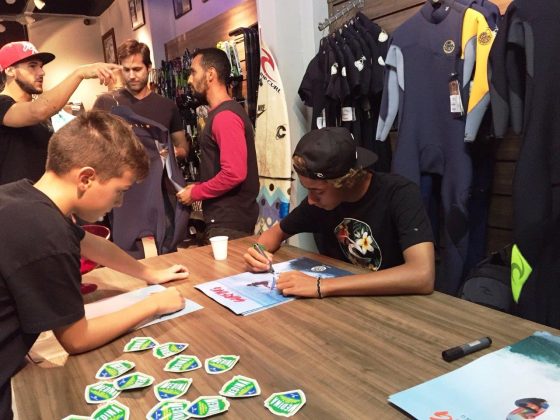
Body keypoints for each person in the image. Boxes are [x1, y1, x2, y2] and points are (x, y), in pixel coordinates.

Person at [0, 111, 190, 419]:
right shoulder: (45, 232)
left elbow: (89, 243)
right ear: (86, 177)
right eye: (119, 192)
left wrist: (149, 273)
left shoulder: (21, 196)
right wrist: (154, 304)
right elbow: (76, 338)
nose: (119, 204)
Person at [244, 127, 435, 298]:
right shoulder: (318, 205)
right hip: (344, 308)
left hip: (399, 308)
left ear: (346, 181)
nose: (310, 200)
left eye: (317, 191)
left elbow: (422, 275)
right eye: (307, 190)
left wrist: (322, 286)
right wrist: (258, 253)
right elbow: (275, 234)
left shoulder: (399, 194)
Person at [0, 41, 120, 185]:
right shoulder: (3, 104)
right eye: (32, 66)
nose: (41, 72)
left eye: (41, 66)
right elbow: (39, 110)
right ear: (9, 70)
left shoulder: (43, 114)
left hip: (39, 198)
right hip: (11, 203)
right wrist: (79, 73)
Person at [176, 47, 259, 240]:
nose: (189, 80)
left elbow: (234, 173)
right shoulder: (223, 114)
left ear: (210, 74)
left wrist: (197, 192)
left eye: (193, 72)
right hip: (226, 222)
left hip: (229, 224)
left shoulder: (225, 117)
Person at [92, 39, 188, 159]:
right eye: (126, 70)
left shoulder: (167, 106)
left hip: (160, 176)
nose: (131, 76)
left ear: (148, 67)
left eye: (137, 69)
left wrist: (174, 152)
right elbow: (91, 146)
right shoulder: (105, 102)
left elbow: (183, 148)